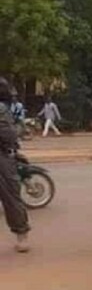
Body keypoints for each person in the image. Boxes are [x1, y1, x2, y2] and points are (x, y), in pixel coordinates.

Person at [0, 78, 31, 253]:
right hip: (2, 157)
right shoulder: (2, 109)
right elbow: (8, 135)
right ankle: (22, 236)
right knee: (11, 197)